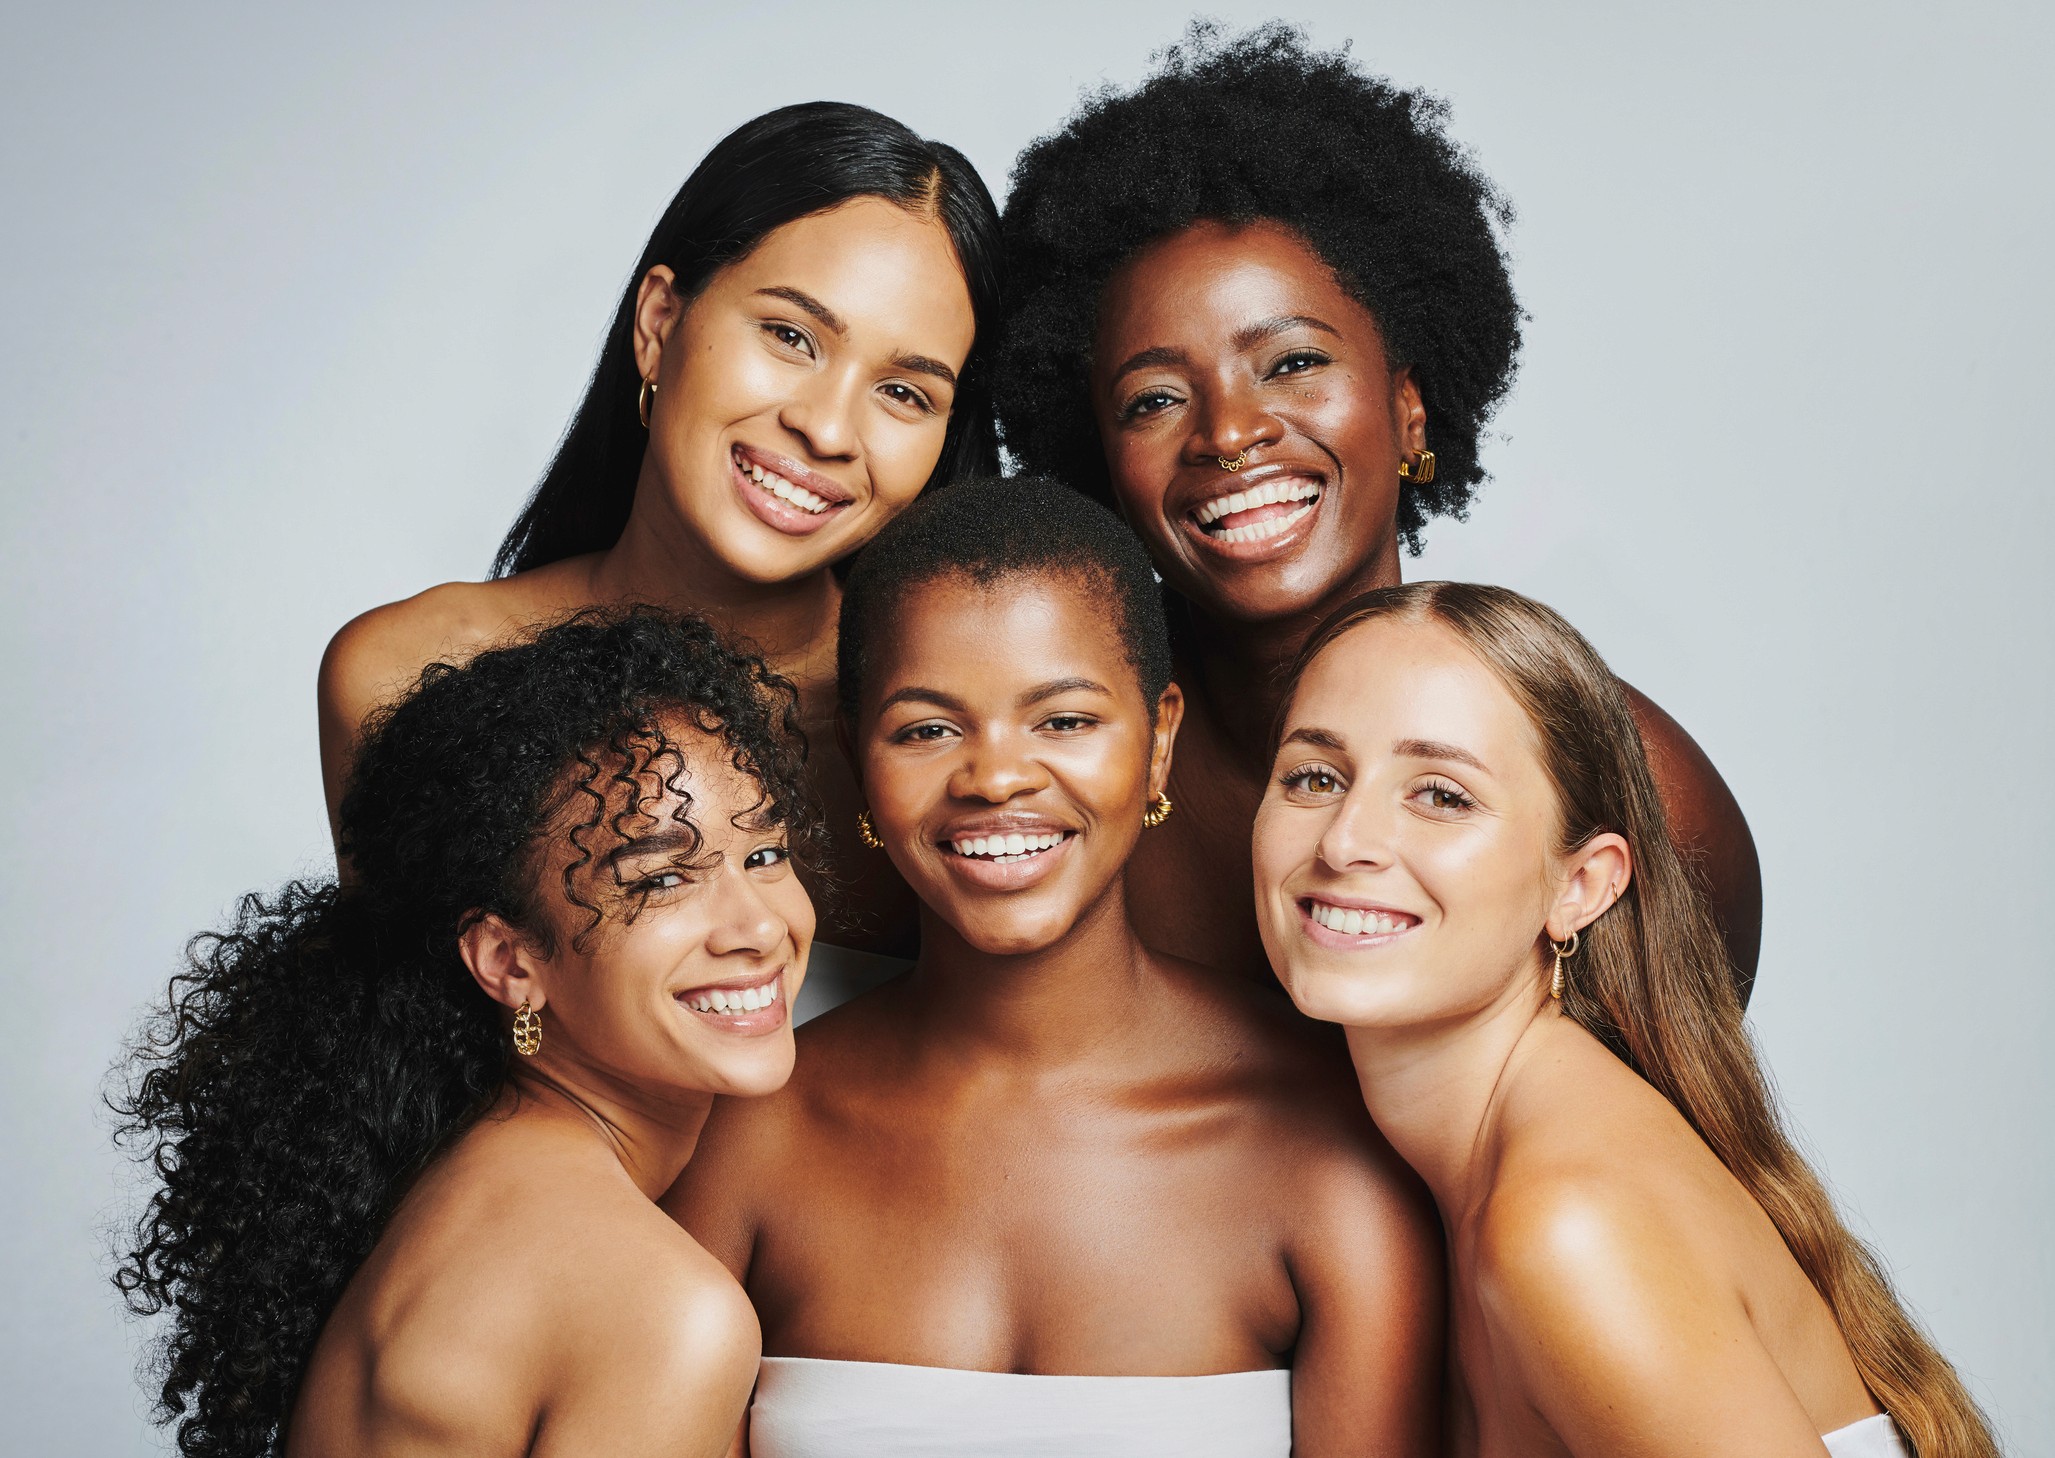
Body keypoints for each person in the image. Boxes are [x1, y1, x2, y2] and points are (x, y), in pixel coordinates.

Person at [665, 479, 1442, 1457]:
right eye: (926, 729)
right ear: (860, 761)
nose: (996, 777)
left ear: (1158, 741)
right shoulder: (746, 1132)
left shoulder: (1332, 1144)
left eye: (1065, 721)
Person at [994, 22, 1765, 997]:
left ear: (1409, 410)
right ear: (1099, 462)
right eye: (1153, 399)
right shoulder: (1041, 780)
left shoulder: (1630, 791)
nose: (1228, 433)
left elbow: (1673, 1094)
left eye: (1292, 363)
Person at [1251, 582, 1996, 1458]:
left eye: (1442, 796)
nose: (1344, 841)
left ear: (1581, 885)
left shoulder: (1567, 1229)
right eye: (1313, 777)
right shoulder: (1479, 1174)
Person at [115, 610, 822, 1458]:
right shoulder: (663, 1310)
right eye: (661, 878)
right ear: (508, 960)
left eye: (764, 854)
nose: (758, 927)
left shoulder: (462, 1173)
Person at [320, 101, 1002, 963]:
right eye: (789, 336)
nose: (828, 429)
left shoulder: (959, 731)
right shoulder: (407, 675)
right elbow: (387, 1035)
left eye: (904, 393)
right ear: (658, 325)